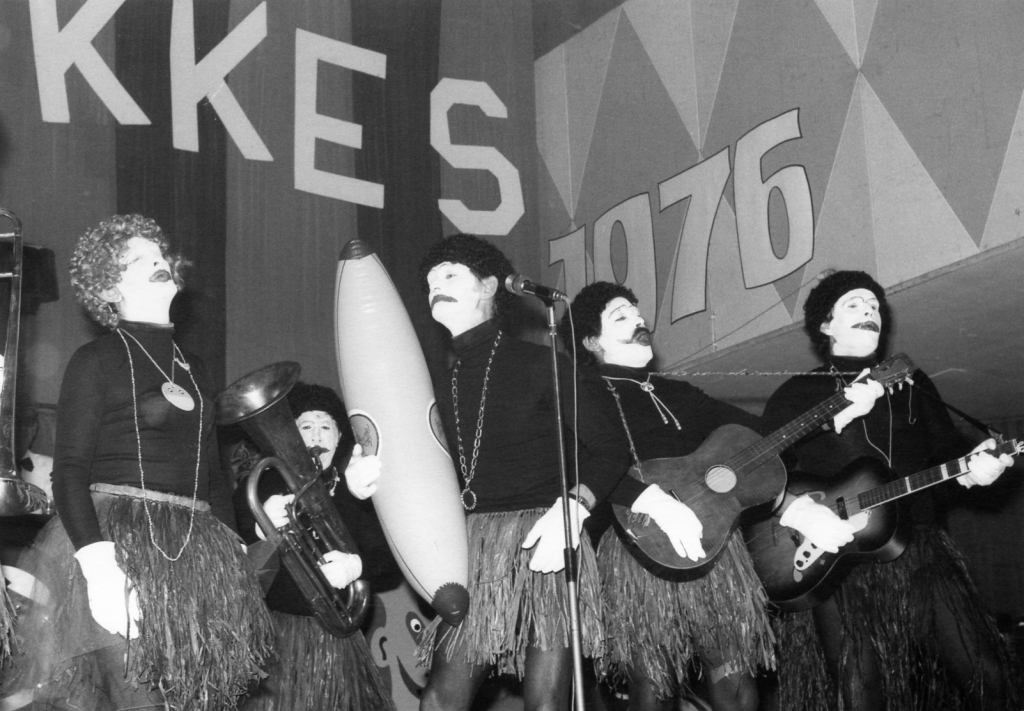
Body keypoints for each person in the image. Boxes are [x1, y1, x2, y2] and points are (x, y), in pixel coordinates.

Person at [346, 234, 700, 711]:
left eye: (449, 275)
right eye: (429, 283)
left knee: (546, 703)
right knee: (440, 700)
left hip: (547, 535)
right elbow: (412, 467)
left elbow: (609, 449)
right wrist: (364, 477)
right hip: (471, 548)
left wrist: (576, 507)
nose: (435, 288)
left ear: (489, 286)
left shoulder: (543, 363)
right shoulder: (434, 384)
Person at [565, 281, 878, 711]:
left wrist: (834, 411)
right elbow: (582, 465)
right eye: (622, 316)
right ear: (591, 341)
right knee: (652, 688)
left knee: (736, 683)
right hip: (636, 547)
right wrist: (648, 499)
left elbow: (762, 435)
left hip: (716, 548)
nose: (640, 321)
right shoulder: (583, 393)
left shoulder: (678, 393)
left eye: (637, 312)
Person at [8, 214, 273, 710]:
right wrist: (99, 564)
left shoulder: (196, 368)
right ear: (109, 288)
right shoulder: (95, 360)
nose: (158, 261)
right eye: (138, 259)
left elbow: (212, 475)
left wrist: (234, 548)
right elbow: (69, 473)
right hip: (119, 542)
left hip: (196, 549)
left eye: (159, 254)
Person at [761, 269, 1018, 711]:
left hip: (921, 546)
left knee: (986, 675)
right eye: (854, 304)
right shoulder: (797, 392)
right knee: (859, 693)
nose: (870, 311)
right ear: (826, 325)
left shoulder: (912, 383)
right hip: (837, 558)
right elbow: (764, 471)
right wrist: (799, 510)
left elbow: (946, 453)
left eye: (875, 305)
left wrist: (973, 469)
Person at [233, 381, 398, 711]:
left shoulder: (359, 487)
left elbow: (389, 560)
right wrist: (259, 527)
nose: (317, 437)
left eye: (326, 427)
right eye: (306, 427)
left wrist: (357, 566)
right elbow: (230, 537)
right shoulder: (263, 483)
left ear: (339, 438)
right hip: (275, 633)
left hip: (339, 639)